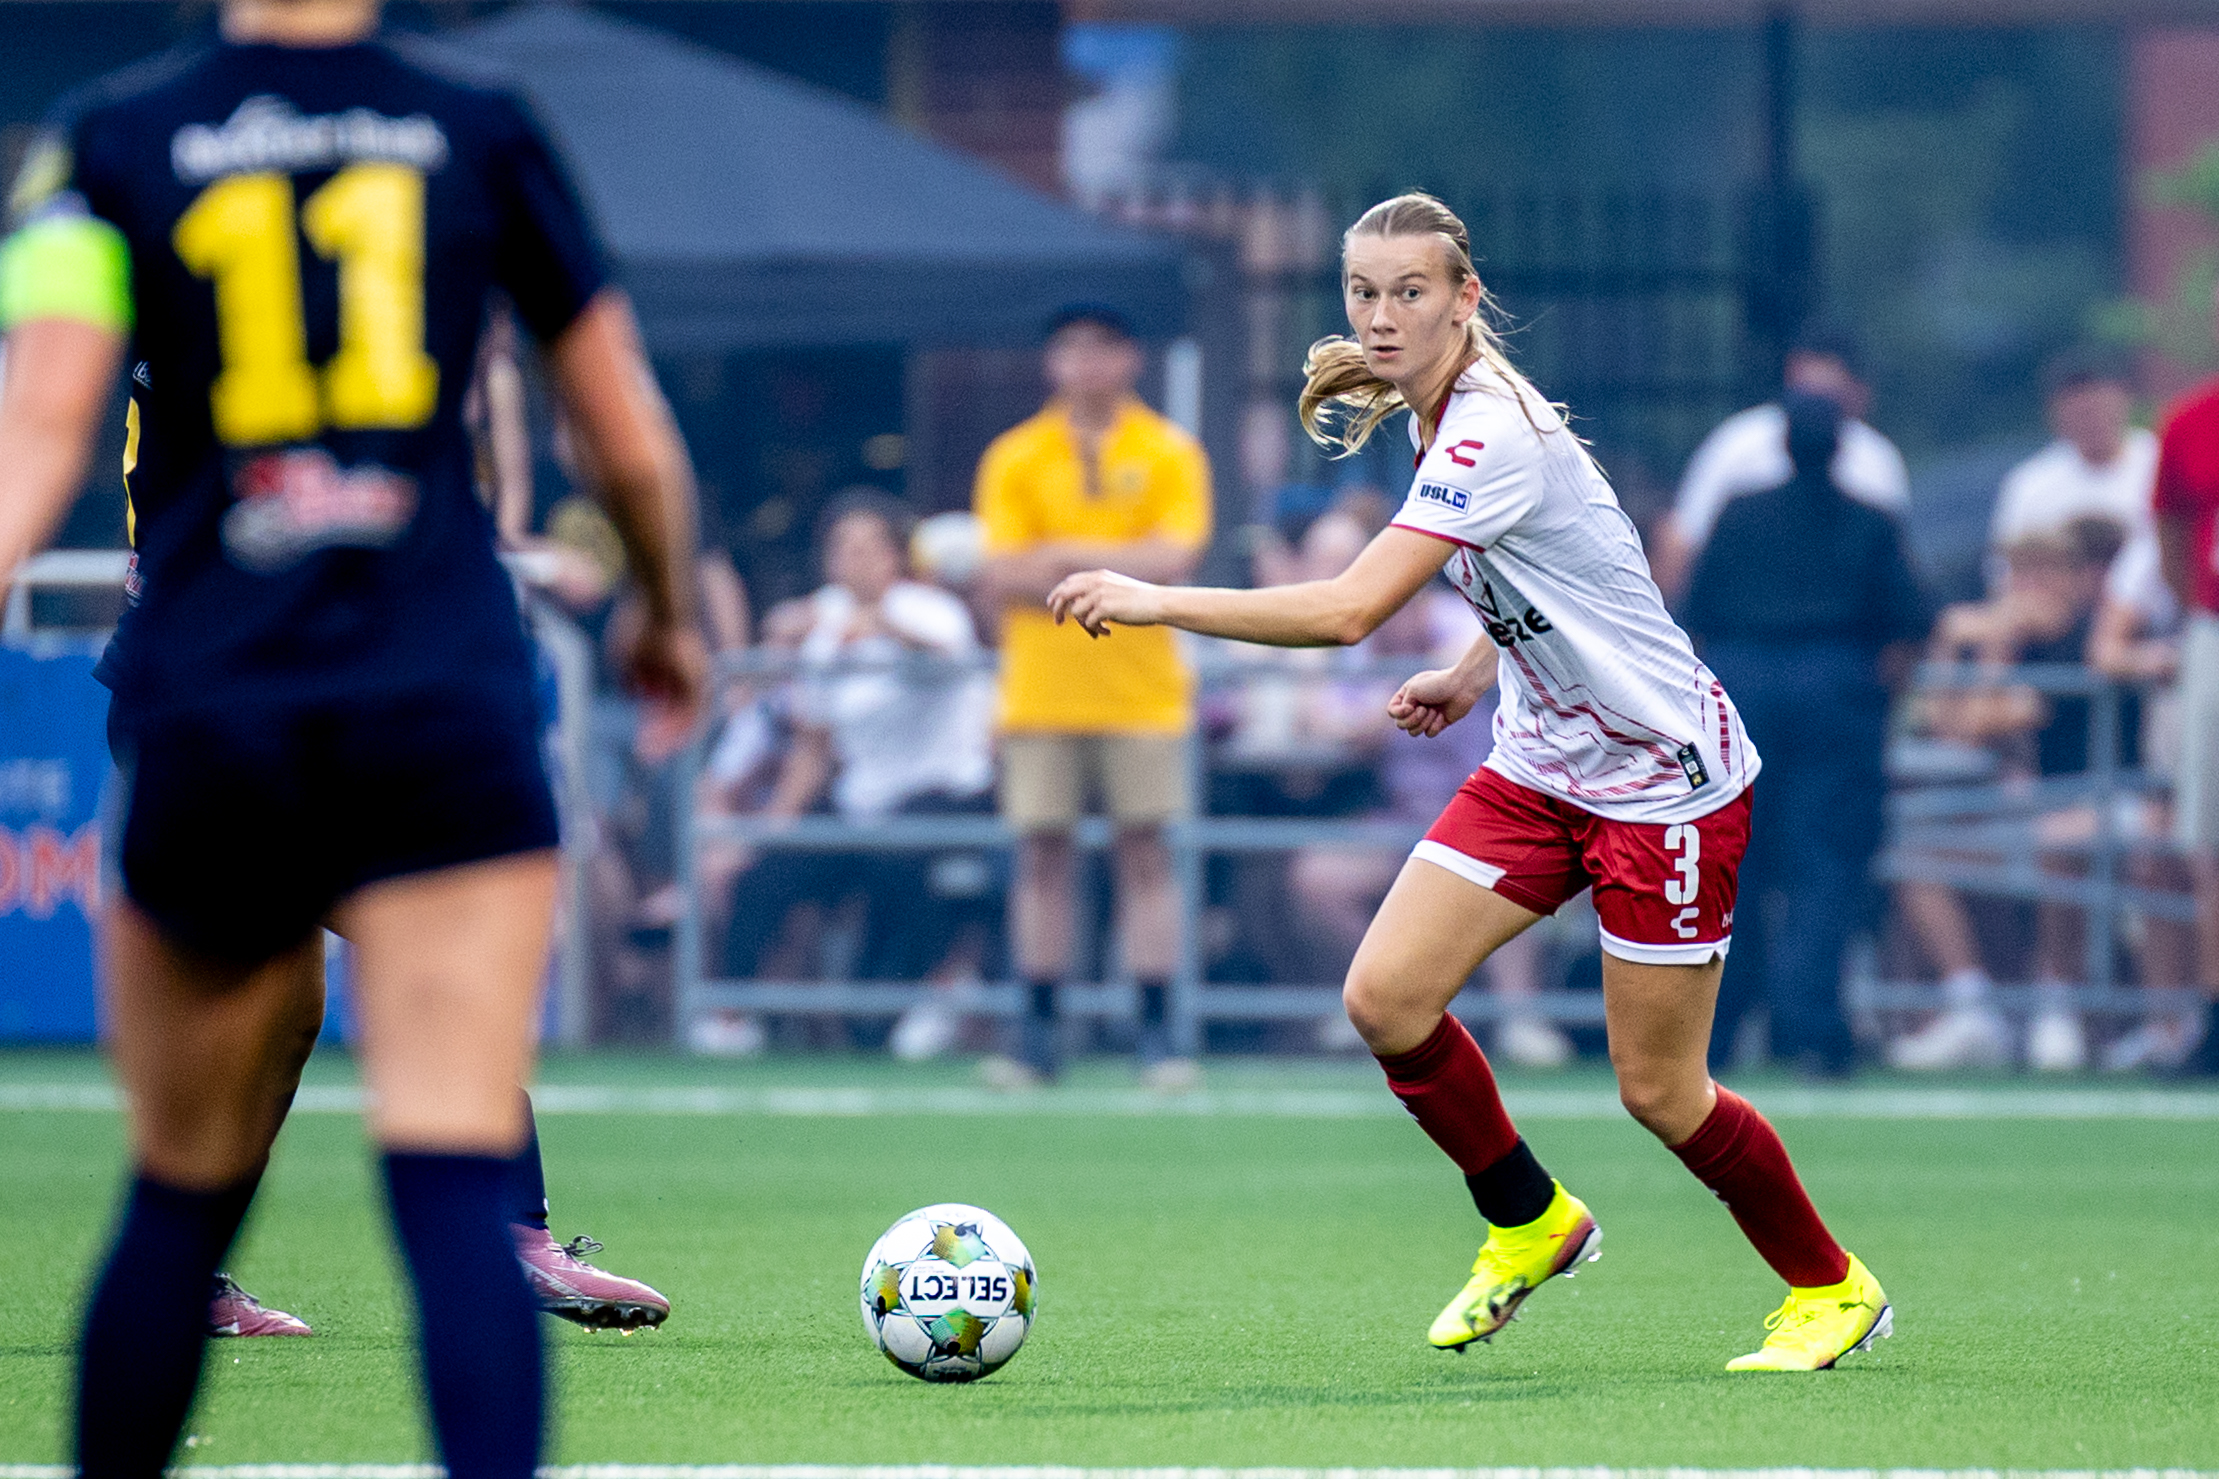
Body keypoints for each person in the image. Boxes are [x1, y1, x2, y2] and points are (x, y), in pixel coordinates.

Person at [0, 0, 707, 1472]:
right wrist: (664, 608)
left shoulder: (109, 138)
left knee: (168, 1191)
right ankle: (502, 1227)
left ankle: (208, 1271)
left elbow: (40, 422)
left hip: (208, 683)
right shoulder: (480, 123)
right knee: (439, 1169)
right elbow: (622, 430)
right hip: (428, 675)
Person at [1050, 193, 1890, 1372]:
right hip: (1539, 761)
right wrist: (1465, 667)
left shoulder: (1488, 428)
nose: (1381, 316)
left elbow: (1346, 610)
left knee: (1658, 1091)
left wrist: (1154, 603)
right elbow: (1569, 569)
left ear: (1463, 298)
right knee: (1385, 999)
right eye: (1362, 292)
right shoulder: (1431, 413)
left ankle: (1830, 1286)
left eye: (1408, 292)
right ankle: (1529, 1220)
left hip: (1661, 783)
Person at [974, 303, 1212, 1090]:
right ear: (1052, 361)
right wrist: (1117, 564)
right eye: (1070, 348)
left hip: (1141, 694)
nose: (1085, 363)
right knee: (1042, 858)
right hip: (1040, 692)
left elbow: (1175, 556)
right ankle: (1037, 1032)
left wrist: (1060, 555)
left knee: (1145, 858)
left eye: (1101, 347)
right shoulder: (1014, 454)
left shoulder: (1168, 449)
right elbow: (1000, 569)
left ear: (1128, 357)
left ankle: (1155, 1030)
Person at [1682, 391, 1931, 1077]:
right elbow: (1909, 625)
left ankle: (1718, 1029)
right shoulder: (1870, 522)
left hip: (1743, 688)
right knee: (1826, 863)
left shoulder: (1737, 513)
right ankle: (1811, 1027)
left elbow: (1693, 616)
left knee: (1730, 861)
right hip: (1835, 691)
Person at [718, 491, 996, 1042]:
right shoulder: (824, 630)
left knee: (896, 860)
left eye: (871, 546)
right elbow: (815, 744)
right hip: (862, 801)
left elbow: (945, 658)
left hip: (943, 793)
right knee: (768, 871)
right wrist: (778, 822)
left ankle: (911, 1002)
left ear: (897, 556)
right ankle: (730, 1016)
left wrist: (880, 628)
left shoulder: (931, 609)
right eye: (844, 547)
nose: (857, 559)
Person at [1889, 518, 2133, 1072]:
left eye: (2043, 573)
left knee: (2057, 847)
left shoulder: (2080, 643)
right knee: (1917, 854)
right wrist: (1954, 642)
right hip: (2016, 812)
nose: (2027, 589)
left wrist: (1993, 639)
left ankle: (2056, 1008)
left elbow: (1980, 721)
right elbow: (1936, 719)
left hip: (2095, 802)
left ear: (2075, 580)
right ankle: (1971, 1003)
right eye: (2019, 573)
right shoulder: (2012, 645)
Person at [1650, 327, 1908, 601]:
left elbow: (1893, 572)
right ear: (1790, 375)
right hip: (1743, 633)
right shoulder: (1738, 445)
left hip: (1845, 637)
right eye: (1807, 393)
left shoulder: (1876, 459)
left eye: (1823, 396)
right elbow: (1683, 539)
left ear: (1857, 391)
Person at [2150, 321, 2219, 1079]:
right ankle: (2212, 1005)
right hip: (2214, 627)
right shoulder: (2190, 422)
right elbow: (2169, 527)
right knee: (2208, 836)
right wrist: (2192, 608)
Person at [1989, 348, 2156, 557]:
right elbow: (2008, 571)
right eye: (2078, 412)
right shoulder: (2031, 487)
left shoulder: (2159, 459)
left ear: (2124, 398)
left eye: (2098, 406)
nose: (2090, 419)